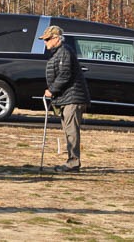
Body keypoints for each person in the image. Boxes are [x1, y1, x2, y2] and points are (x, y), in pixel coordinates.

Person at [40, 24, 90, 173]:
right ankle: (72, 161)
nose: (45, 42)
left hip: (73, 98)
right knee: (69, 131)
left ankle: (73, 163)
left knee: (71, 131)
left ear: (56, 38)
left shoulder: (64, 52)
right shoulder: (58, 53)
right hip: (66, 98)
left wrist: (52, 90)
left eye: (47, 39)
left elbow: (65, 74)